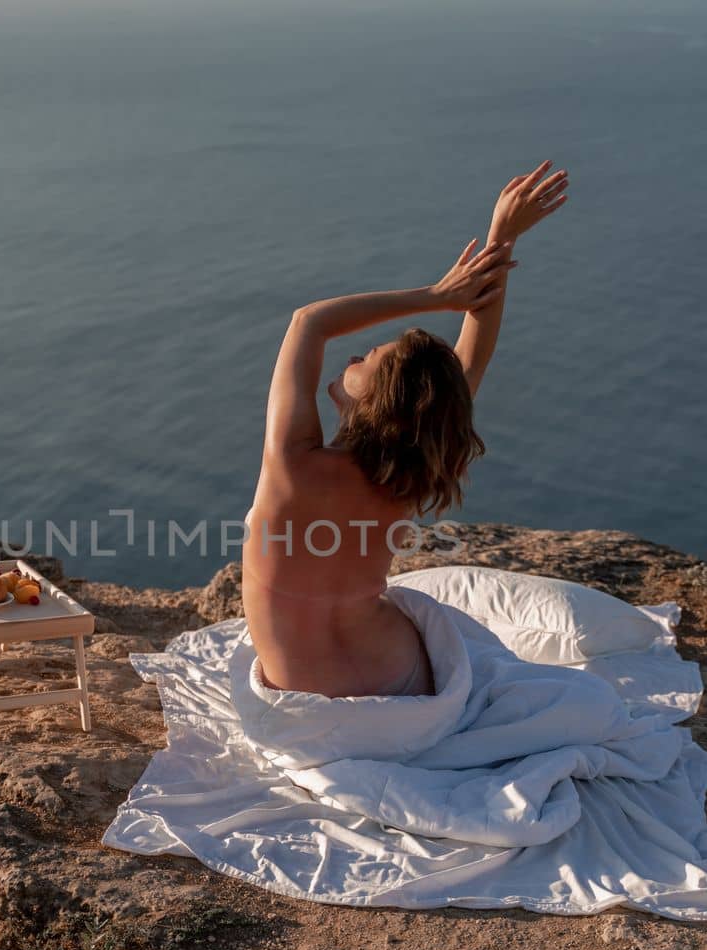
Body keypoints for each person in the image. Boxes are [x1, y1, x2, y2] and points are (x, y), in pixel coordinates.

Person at [242, 160, 569, 697]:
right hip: (399, 686)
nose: (352, 353)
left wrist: (439, 295)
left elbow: (309, 322)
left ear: (376, 398)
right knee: (435, 617)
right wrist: (501, 237)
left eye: (367, 357)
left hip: (302, 699)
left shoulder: (291, 466)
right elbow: (468, 369)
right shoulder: (407, 477)